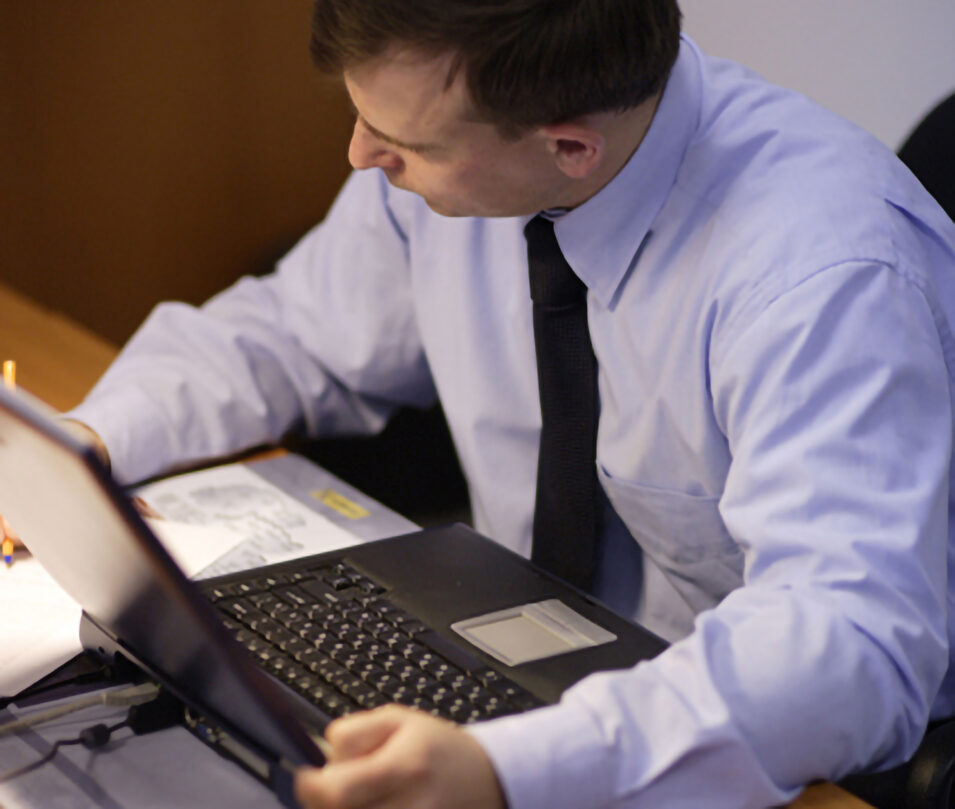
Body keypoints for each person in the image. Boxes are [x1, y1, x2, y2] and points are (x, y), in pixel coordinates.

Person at [11, 1, 955, 806]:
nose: (358, 155)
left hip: (743, 743)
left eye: (403, 144)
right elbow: (287, 330)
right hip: (506, 655)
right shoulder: (461, 159)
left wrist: (512, 769)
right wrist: (83, 441)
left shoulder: (824, 270)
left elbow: (848, 647)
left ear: (570, 147)